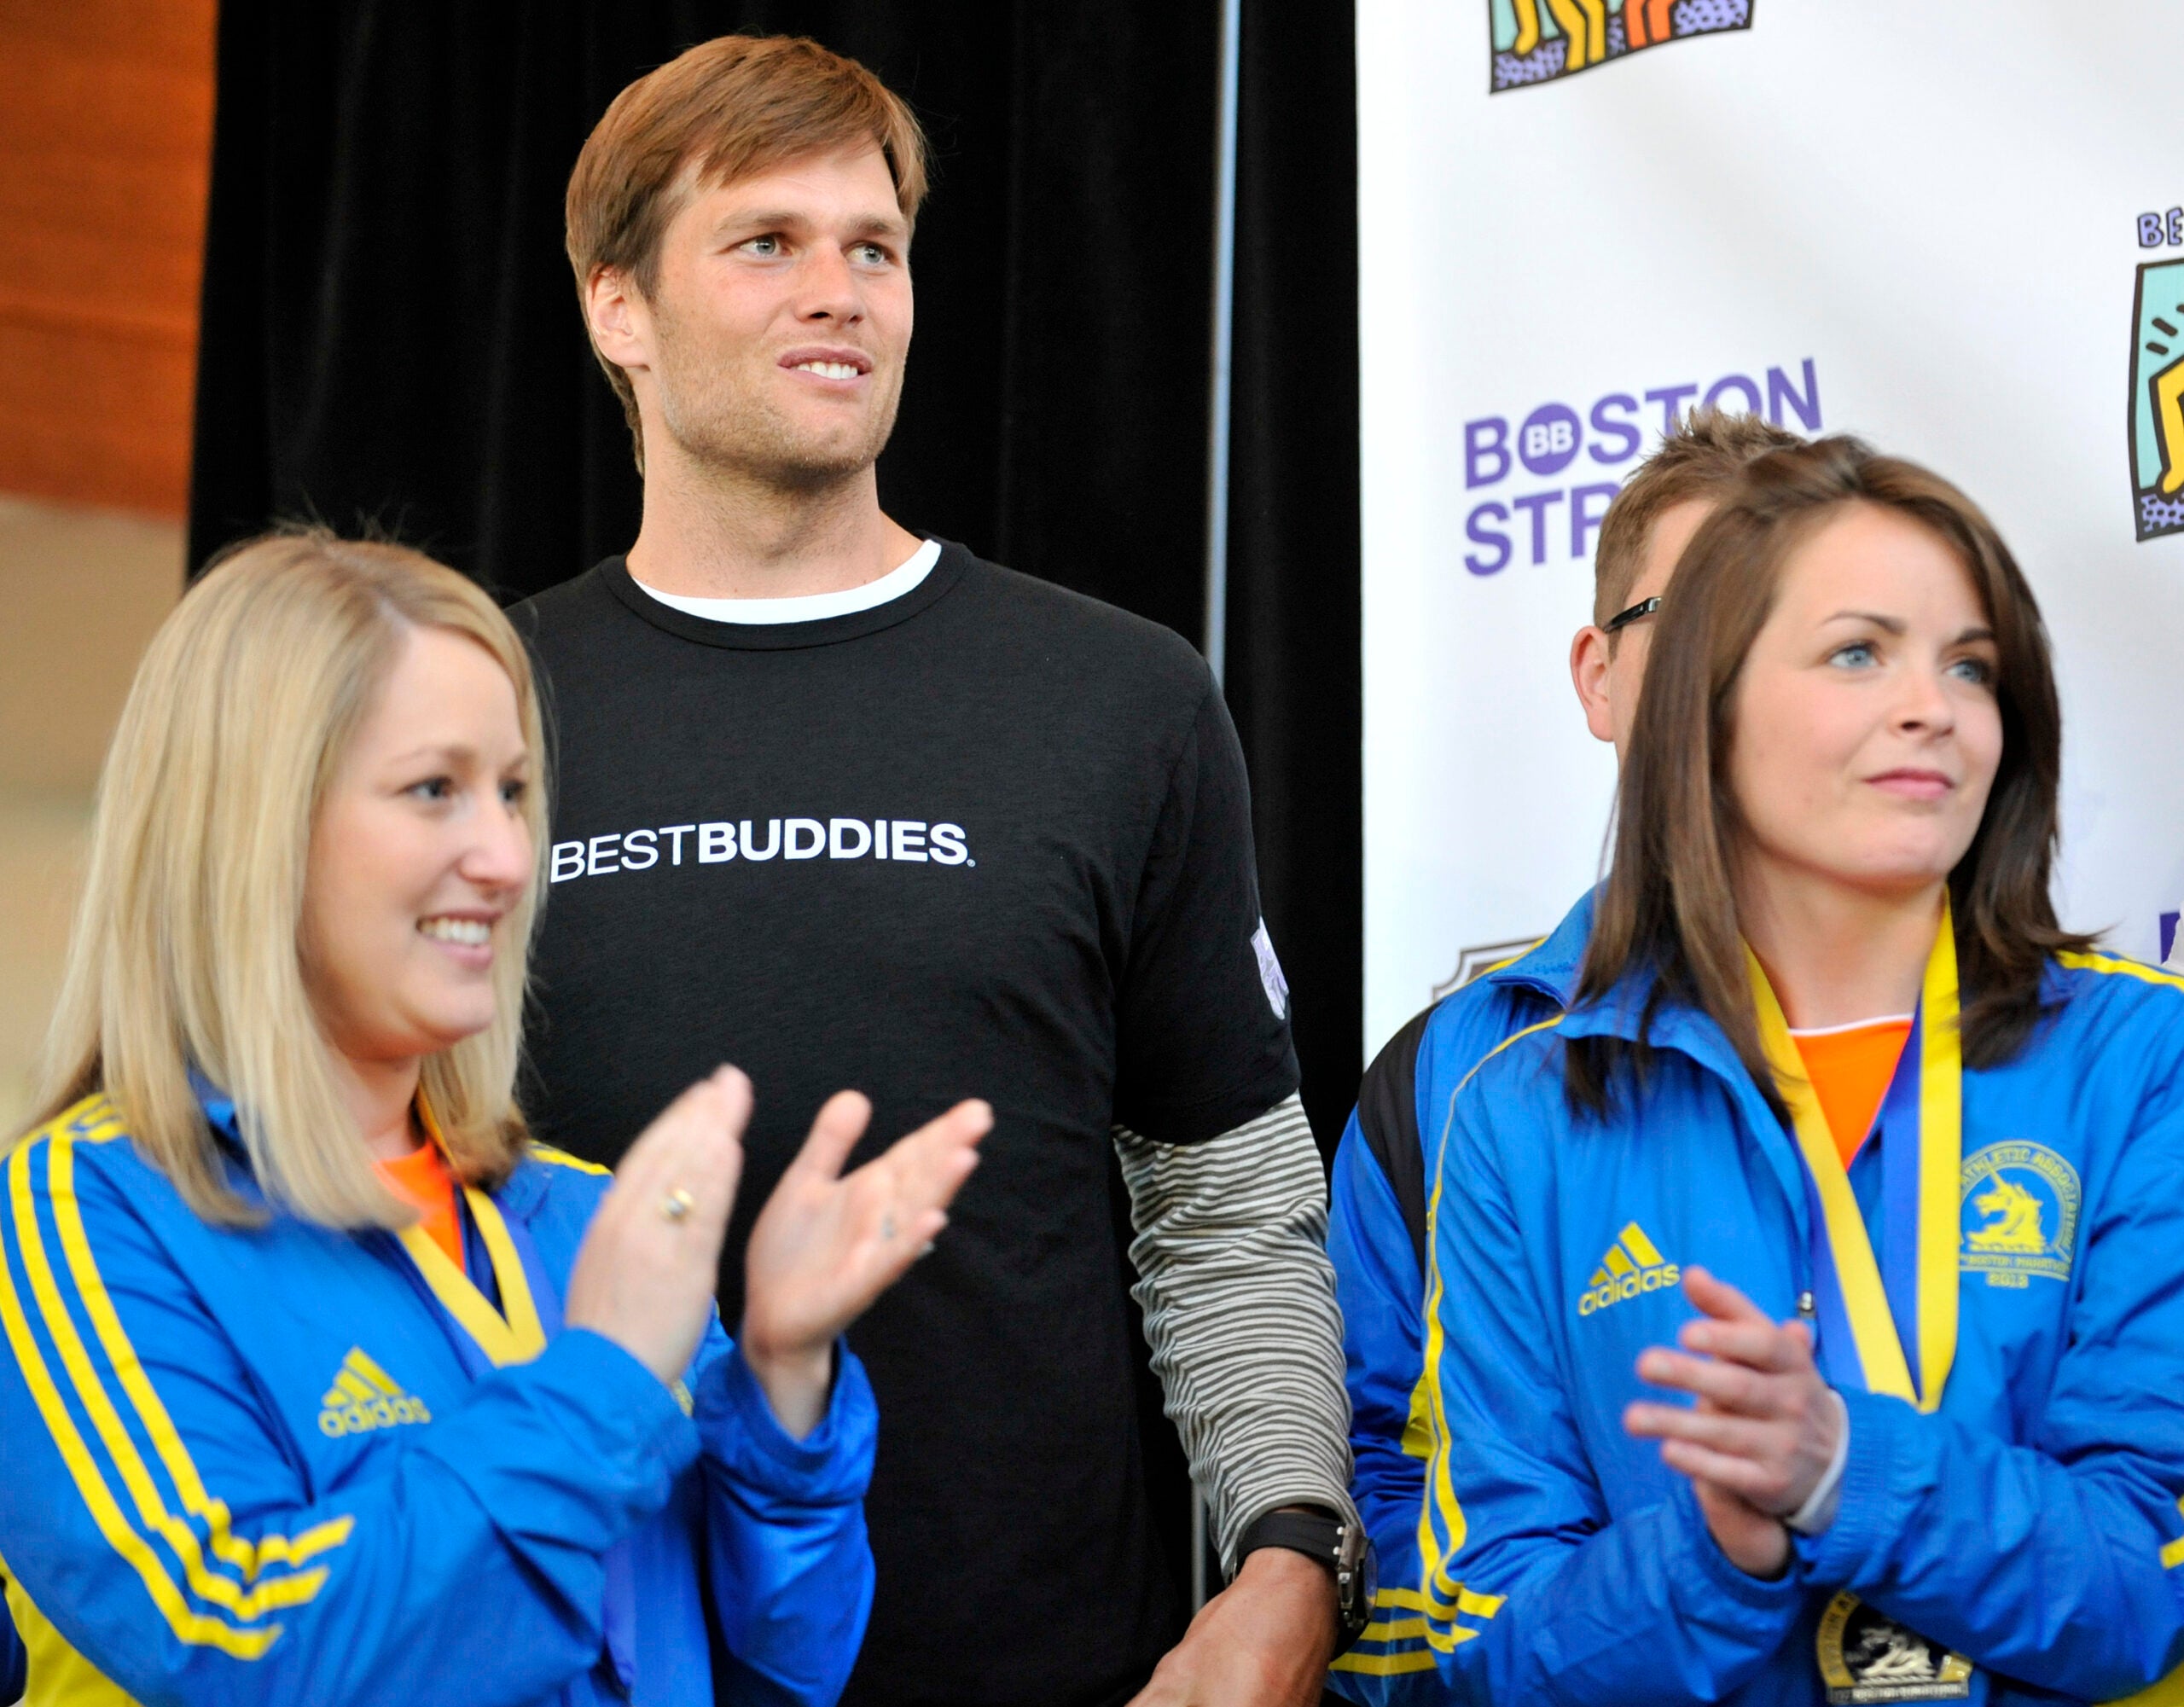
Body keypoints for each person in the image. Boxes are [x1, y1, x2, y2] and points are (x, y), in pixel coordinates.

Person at [515, 34, 1357, 1707]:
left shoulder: (1118, 701)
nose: (841, 290)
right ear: (618, 308)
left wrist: (1287, 1557)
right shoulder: (482, 707)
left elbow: (1227, 1211)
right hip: (578, 1662)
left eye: (875, 247)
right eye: (766, 242)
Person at [0, 532, 990, 1707]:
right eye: (435, 789)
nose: (509, 856)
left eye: (513, 791)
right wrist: (604, 1376)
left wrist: (782, 1372)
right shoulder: (90, 1209)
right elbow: (246, 1650)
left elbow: (781, 1666)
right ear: (255, 825)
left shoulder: (577, 1212)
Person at [1413, 435, 2184, 1701]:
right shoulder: (1519, 1110)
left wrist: (1845, 1466)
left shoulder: (2145, 1059)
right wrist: (1717, 1552)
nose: (1932, 704)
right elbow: (1488, 1653)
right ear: (1700, 708)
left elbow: (2148, 1575)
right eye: (1857, 651)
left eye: (1972, 665)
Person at [1326, 408, 1800, 1694]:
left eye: (1801, 626)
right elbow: (1383, 1493)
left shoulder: (2059, 1047)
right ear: (1599, 676)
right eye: (1693, 619)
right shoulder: (1451, 1081)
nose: (1739, 671)